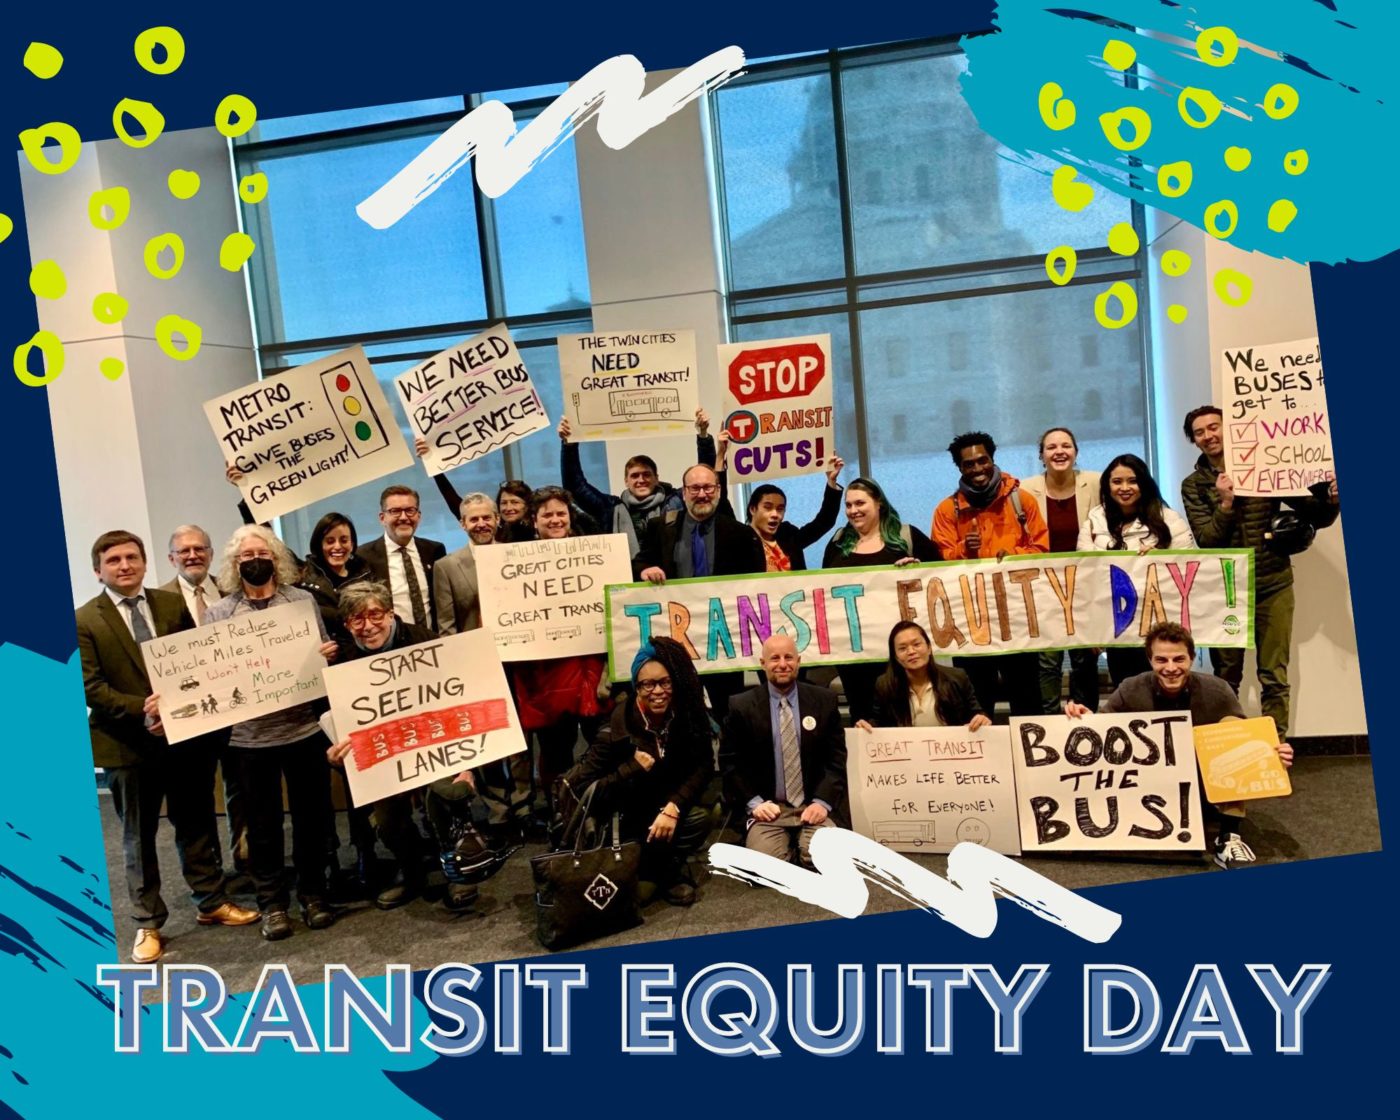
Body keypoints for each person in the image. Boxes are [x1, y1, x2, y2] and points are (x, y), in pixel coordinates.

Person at [78, 531, 258, 963]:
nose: (125, 566)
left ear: (144, 561)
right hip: (126, 745)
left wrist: (176, 709)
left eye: (132, 557)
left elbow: (193, 664)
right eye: (115, 560)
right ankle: (146, 923)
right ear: (98, 570)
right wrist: (145, 709)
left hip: (180, 739)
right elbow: (91, 687)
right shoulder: (84, 619)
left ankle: (211, 902)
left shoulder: (170, 603)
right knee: (137, 837)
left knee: (195, 824)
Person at [1065, 621, 1295, 869]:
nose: (1171, 668)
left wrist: (1272, 754)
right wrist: (1083, 718)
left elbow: (1244, 741)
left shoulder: (1217, 690)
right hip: (1151, 786)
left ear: (1192, 658)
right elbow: (1104, 732)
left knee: (1230, 725)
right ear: (1150, 660)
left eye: (1179, 659)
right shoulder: (1131, 688)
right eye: (1161, 660)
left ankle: (1229, 836)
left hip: (1205, 785)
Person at [205, 525, 341, 940]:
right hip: (249, 739)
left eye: (261, 553)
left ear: (276, 559)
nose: (254, 560)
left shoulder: (300, 602)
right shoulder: (219, 613)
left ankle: (314, 894)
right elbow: (211, 672)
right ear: (235, 564)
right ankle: (272, 903)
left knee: (312, 818)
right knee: (262, 825)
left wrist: (327, 654)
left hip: (302, 729)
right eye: (245, 556)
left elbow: (318, 651)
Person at [326, 583, 498, 912]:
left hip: (438, 744)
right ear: (347, 625)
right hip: (386, 756)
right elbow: (340, 726)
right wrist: (335, 757)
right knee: (387, 820)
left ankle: (460, 874)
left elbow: (461, 700)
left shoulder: (426, 643)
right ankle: (412, 872)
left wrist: (468, 764)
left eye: (375, 614)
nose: (368, 625)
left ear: (391, 613)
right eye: (356, 619)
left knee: (447, 796)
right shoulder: (343, 663)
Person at [1180, 405, 1340, 737]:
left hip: (1273, 582)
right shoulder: (1193, 485)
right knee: (1225, 675)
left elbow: (1316, 515)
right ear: (1194, 441)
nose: (1209, 435)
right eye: (1200, 432)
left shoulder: (1264, 469)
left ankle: (1275, 747)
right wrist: (1225, 504)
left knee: (1274, 673)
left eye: (1214, 427)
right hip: (1223, 588)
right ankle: (1224, 748)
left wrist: (1333, 499)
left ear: (1229, 429)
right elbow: (1207, 540)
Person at [567, 637, 714, 905]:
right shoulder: (615, 728)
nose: (657, 691)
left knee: (704, 815)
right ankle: (654, 869)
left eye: (665, 682)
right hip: (625, 821)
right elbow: (582, 788)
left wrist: (674, 807)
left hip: (665, 810)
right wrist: (630, 769)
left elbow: (703, 765)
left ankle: (667, 867)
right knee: (641, 897)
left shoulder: (687, 715)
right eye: (648, 684)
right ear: (636, 686)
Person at [433, 493, 533, 837]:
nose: (481, 524)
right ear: (462, 524)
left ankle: (524, 803)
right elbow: (446, 625)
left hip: (518, 661)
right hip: (476, 664)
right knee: (489, 737)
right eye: (473, 519)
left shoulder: (519, 557)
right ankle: (497, 809)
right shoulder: (447, 566)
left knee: (521, 735)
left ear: (497, 520)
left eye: (487, 517)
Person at [931, 432, 1048, 720]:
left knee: (1027, 700)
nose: (977, 468)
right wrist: (962, 550)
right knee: (975, 703)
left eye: (982, 460)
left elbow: (1043, 551)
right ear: (960, 468)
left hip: (1017, 619)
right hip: (971, 625)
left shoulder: (1022, 501)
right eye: (968, 464)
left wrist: (1013, 555)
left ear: (992, 459)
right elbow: (938, 563)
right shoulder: (947, 511)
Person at [634, 462, 767, 714]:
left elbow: (757, 583)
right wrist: (644, 570)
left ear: (718, 490)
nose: (702, 494)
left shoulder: (740, 534)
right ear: (684, 492)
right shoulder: (661, 527)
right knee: (683, 713)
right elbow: (640, 560)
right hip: (677, 642)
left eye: (708, 487)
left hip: (724, 641)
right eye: (695, 488)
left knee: (727, 711)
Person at [510, 487, 611, 818]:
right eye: (547, 515)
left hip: (593, 671)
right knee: (555, 753)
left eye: (560, 513)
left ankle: (602, 810)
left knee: (603, 747)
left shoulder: (596, 555)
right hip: (547, 678)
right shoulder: (515, 566)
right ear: (533, 521)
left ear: (570, 516)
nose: (555, 519)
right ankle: (562, 814)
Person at [163, 524, 246, 877]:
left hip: (239, 705)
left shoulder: (234, 592)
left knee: (241, 787)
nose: (193, 555)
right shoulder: (160, 601)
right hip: (192, 715)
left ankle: (246, 859)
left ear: (212, 555)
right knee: (196, 796)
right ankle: (211, 872)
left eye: (200, 549)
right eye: (184, 551)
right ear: (171, 558)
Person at [720, 634, 846, 867]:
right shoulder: (741, 706)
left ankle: (804, 845)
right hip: (769, 809)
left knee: (827, 860)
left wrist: (822, 802)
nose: (782, 664)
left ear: (798, 661)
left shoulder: (824, 701)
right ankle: (786, 845)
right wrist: (754, 803)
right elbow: (730, 763)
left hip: (812, 805)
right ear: (763, 664)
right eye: (774, 658)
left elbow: (836, 759)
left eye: (789, 657)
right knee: (766, 866)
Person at [822, 477, 939, 724]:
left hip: (897, 652)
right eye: (849, 505)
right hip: (852, 653)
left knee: (901, 713)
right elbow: (825, 591)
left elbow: (940, 579)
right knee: (861, 716)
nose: (853, 511)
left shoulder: (907, 537)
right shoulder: (838, 542)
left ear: (879, 504)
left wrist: (918, 570)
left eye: (860, 503)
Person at [1079, 453, 1196, 686]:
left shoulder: (1169, 520)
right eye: (1117, 481)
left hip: (1162, 629)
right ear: (1107, 485)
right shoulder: (1095, 520)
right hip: (1118, 627)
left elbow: (1190, 568)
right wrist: (1094, 628)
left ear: (1144, 483)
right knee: (1126, 689)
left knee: (1166, 687)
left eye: (1132, 481)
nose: (1125, 488)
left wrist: (1161, 559)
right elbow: (1085, 576)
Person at [558, 407, 717, 558]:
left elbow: (706, 476)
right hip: (627, 581)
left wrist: (703, 436)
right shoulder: (610, 509)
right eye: (635, 476)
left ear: (657, 478)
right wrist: (569, 445)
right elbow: (575, 487)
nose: (641, 480)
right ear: (626, 481)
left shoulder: (676, 502)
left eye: (647, 475)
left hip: (670, 580)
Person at [1020, 428, 1102, 714]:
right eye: (1051, 447)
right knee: (1048, 660)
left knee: (1084, 658)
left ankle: (1086, 717)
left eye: (1066, 445)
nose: (1059, 451)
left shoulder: (1094, 482)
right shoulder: (1025, 489)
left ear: (1076, 451)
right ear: (1041, 455)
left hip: (1085, 586)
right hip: (1044, 588)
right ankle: (1050, 721)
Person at [857, 620, 992, 731]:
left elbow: (976, 713)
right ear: (896, 657)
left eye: (916, 644)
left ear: (929, 648)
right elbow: (877, 722)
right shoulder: (884, 684)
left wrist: (981, 718)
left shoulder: (956, 677)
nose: (911, 651)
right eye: (902, 648)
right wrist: (867, 727)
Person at [356, 484, 447, 634]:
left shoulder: (434, 550)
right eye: (395, 511)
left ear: (419, 515)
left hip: (434, 640)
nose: (404, 517)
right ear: (382, 518)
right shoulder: (363, 556)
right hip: (391, 647)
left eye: (410, 510)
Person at [744, 457, 845, 572]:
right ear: (752, 509)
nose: (775, 514)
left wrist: (831, 481)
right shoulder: (740, 539)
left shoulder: (788, 535)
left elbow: (824, 521)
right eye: (768, 507)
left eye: (780, 509)